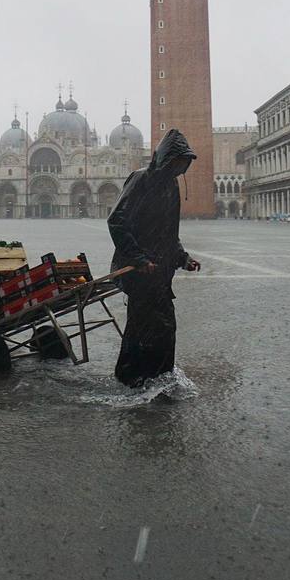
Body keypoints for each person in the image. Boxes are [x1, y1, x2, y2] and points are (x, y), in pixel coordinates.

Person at [107, 128, 201, 387]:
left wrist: (183, 258)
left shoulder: (171, 186)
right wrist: (138, 259)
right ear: (165, 159)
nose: (181, 169)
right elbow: (117, 220)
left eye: (184, 165)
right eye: (177, 163)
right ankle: (131, 377)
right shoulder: (140, 180)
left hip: (159, 272)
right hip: (138, 271)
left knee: (164, 326)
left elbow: (170, 233)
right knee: (142, 326)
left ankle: (159, 376)